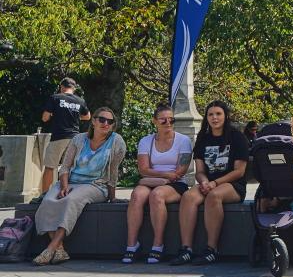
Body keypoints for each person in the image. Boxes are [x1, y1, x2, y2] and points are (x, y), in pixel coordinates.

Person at [33, 106, 126, 265]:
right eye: (102, 119)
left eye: (110, 121)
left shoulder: (116, 142)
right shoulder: (79, 139)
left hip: (96, 185)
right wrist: (64, 186)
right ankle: (60, 250)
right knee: (48, 200)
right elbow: (65, 167)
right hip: (70, 182)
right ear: (93, 121)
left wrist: (112, 197)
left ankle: (50, 248)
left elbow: (113, 172)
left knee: (70, 200)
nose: (106, 123)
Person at [171, 100, 248, 266]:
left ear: (225, 116)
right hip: (208, 183)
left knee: (214, 196)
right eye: (211, 114)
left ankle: (211, 249)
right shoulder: (203, 139)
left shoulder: (237, 137)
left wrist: (214, 183)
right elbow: (199, 171)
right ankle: (186, 249)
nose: (214, 118)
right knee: (188, 196)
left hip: (233, 185)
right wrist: (204, 181)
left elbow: (239, 172)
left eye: (218, 114)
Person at [122, 104, 193, 264]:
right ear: (154, 121)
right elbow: (143, 169)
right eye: (163, 120)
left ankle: (158, 244)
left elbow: (180, 172)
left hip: (175, 184)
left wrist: (164, 177)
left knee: (157, 195)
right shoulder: (146, 141)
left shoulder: (183, 140)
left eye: (171, 119)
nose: (168, 123)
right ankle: (132, 245)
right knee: (137, 195)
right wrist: (164, 175)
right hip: (156, 180)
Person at [37, 77, 91, 197]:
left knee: (50, 167)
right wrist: (76, 116)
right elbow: (87, 116)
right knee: (71, 168)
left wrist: (54, 115)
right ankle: (70, 194)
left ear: (61, 87)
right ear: (74, 88)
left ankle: (44, 195)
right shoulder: (80, 100)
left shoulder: (55, 98)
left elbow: (45, 118)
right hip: (75, 138)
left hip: (58, 137)